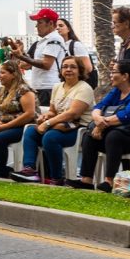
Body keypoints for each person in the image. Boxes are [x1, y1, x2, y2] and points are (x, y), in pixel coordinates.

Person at [67, 59, 130, 192]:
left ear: (125, 76)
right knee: (89, 136)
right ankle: (87, 180)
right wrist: (97, 118)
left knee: (113, 136)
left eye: (114, 72)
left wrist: (100, 125)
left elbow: (127, 115)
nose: (110, 75)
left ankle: (109, 181)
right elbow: (99, 106)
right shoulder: (116, 91)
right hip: (118, 135)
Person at [12, 56, 94, 185]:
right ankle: (30, 170)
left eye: (73, 67)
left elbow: (73, 113)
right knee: (31, 132)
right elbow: (53, 111)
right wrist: (45, 117)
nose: (68, 69)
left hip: (78, 129)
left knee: (50, 137)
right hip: (58, 124)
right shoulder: (57, 87)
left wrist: (48, 123)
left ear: (80, 70)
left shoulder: (84, 88)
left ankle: (57, 178)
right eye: (65, 66)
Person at [0, 60, 37, 178]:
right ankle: (4, 170)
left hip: (22, 126)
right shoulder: (1, 91)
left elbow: (30, 114)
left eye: (3, 72)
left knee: (0, 139)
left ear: (13, 74)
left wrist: (6, 126)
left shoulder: (24, 90)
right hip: (3, 125)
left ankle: (0, 174)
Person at [12, 8, 66, 107]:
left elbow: (46, 64)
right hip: (40, 87)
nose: (37, 26)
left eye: (39, 22)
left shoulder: (54, 38)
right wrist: (22, 52)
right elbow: (29, 65)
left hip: (48, 87)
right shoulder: (44, 41)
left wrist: (22, 57)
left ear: (50, 23)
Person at [56, 18, 97, 88]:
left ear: (68, 29)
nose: (57, 28)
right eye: (55, 26)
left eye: (61, 25)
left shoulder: (76, 45)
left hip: (77, 85)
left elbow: (88, 68)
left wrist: (74, 82)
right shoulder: (56, 46)